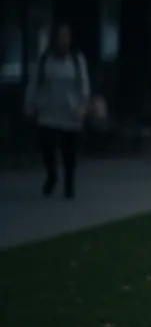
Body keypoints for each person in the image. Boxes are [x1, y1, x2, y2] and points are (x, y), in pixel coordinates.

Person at [23, 23, 90, 199]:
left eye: (66, 36)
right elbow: (34, 84)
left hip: (71, 112)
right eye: (60, 36)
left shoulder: (76, 59)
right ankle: (52, 175)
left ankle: (69, 184)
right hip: (48, 111)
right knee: (47, 148)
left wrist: (83, 105)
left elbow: (83, 84)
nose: (63, 40)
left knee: (69, 151)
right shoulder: (45, 59)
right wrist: (30, 104)